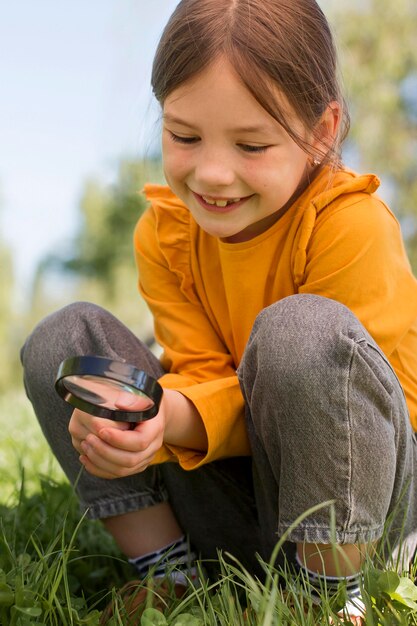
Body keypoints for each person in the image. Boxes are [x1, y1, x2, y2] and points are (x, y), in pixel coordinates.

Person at [21, 0, 417, 623]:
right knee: (61, 340)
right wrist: (140, 423)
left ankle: (331, 601)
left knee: (300, 332)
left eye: (251, 144)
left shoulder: (351, 225)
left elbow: (354, 405)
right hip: (241, 501)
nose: (211, 172)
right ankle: (169, 575)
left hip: (363, 505)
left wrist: (174, 414)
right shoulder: (169, 234)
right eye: (183, 135)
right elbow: (200, 371)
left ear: (322, 131)